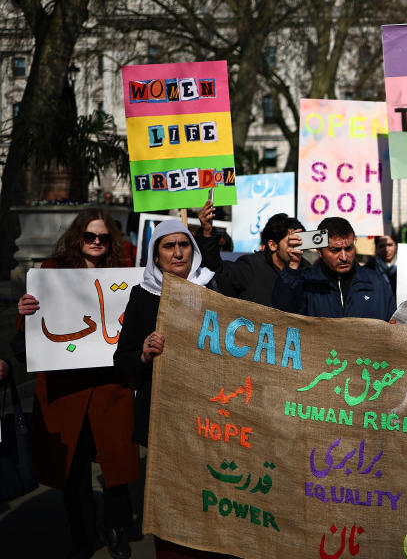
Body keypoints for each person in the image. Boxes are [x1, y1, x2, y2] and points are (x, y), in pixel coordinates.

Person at [16, 209, 139, 559]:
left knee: (115, 467)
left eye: (103, 237)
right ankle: (82, 536)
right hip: (65, 392)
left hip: (109, 388)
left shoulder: (123, 277)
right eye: (90, 236)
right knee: (74, 470)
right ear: (77, 238)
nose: (97, 243)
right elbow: (28, 335)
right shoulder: (52, 273)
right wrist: (25, 312)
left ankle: (117, 529)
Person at [113, 219, 223, 559]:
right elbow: (123, 361)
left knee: (209, 498)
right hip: (164, 418)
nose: (178, 252)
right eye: (168, 246)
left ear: (194, 249)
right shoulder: (143, 297)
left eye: (184, 244)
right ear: (156, 257)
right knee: (171, 504)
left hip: (209, 416)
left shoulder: (212, 290)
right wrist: (144, 352)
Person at [271, 216, 395, 320]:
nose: (344, 257)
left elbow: (392, 329)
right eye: (335, 250)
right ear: (319, 252)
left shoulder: (376, 282)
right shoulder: (305, 283)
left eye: (348, 248)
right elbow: (280, 318)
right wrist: (293, 266)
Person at [210, 213, 304, 306]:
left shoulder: (306, 270)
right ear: (273, 245)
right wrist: (206, 234)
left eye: (299, 241)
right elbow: (215, 271)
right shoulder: (250, 267)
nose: (296, 247)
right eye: (291, 241)